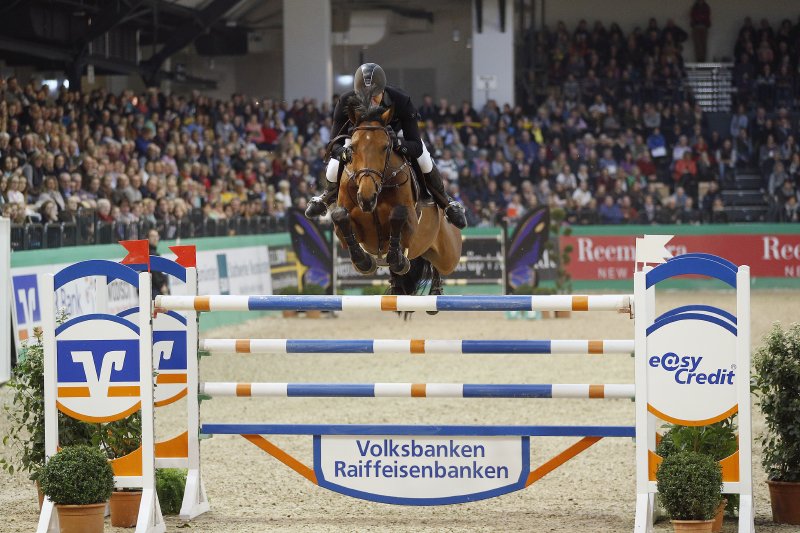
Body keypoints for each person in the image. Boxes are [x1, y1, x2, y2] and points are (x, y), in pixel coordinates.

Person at [305, 63, 467, 229]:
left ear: (383, 90)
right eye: (364, 95)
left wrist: (397, 144)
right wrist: (342, 153)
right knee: (333, 167)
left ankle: (446, 203)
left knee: (424, 158)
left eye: (375, 95)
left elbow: (416, 146)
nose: (371, 100)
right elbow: (334, 144)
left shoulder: (401, 101)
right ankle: (326, 197)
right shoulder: (346, 102)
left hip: (396, 135)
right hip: (360, 139)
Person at [148, 229, 169, 301]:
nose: (155, 238)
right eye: (152, 236)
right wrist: (161, 285)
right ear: (148, 238)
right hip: (153, 289)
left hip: (155, 287)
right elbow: (154, 272)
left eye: (156, 236)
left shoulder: (154, 253)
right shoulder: (150, 254)